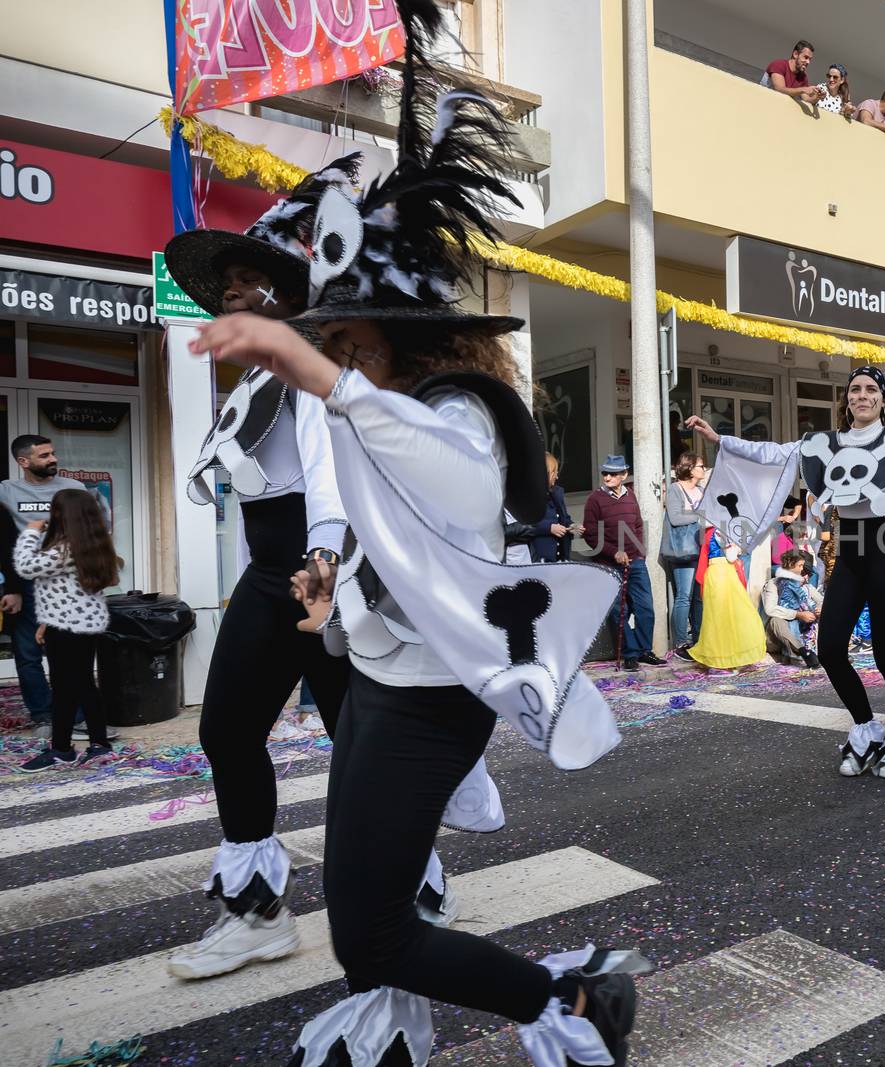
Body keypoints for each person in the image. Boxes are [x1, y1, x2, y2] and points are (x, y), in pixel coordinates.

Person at [188, 14, 648, 1057]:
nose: (331, 354)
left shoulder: (454, 411)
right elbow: (374, 532)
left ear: (392, 340)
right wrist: (329, 595)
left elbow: (448, 478)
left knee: (374, 922)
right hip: (387, 682)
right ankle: (435, 1004)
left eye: (344, 340)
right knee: (372, 908)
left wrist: (317, 373)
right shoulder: (370, 409)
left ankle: (572, 1003)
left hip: (435, 702)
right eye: (328, 343)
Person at [163, 158, 490, 981]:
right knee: (226, 730)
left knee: (366, 746)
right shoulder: (250, 385)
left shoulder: (321, 373)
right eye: (228, 284)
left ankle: (409, 881)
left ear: (286, 295)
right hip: (271, 580)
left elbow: (331, 483)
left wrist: (322, 565)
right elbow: (247, 484)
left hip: (329, 581)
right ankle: (257, 910)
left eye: (250, 281)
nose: (236, 293)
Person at [688, 364, 885, 779]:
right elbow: (774, 453)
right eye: (854, 389)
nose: (861, 395)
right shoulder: (825, 444)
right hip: (851, 549)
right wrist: (722, 441)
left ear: (883, 399)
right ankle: (866, 728)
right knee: (830, 650)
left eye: (870, 389)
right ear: (847, 399)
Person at [0, 435, 107, 733]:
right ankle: (43, 714)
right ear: (23, 461)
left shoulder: (73, 489)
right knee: (27, 652)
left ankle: (78, 717)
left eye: (52, 453)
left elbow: (96, 530)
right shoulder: (6, 491)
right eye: (44, 455)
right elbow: (4, 540)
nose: (53, 459)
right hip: (28, 583)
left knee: (70, 657)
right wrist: (11, 587)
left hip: (68, 582)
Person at [15, 489, 117, 772]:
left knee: (64, 687)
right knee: (83, 683)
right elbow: (72, 589)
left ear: (62, 514)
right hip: (81, 622)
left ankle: (62, 749)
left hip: (69, 627)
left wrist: (31, 532)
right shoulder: (91, 544)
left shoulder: (63, 549)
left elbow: (26, 566)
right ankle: (99, 745)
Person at [584, 454, 662, 671]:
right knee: (619, 611)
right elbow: (591, 535)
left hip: (635, 561)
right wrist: (613, 552)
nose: (607, 477)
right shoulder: (594, 500)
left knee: (646, 608)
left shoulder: (631, 496)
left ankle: (644, 650)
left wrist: (640, 553)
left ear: (624, 475)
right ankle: (630, 654)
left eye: (612, 473)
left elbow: (637, 525)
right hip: (608, 564)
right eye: (605, 473)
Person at [689, 527, 767, 672]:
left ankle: (725, 659)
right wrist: (738, 547)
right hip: (723, 573)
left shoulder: (710, 531)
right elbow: (731, 557)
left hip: (716, 572)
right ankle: (721, 661)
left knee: (721, 618)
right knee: (729, 617)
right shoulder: (721, 531)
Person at [664, 452, 706, 652]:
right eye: (700, 466)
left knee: (699, 597)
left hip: (701, 549)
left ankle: (698, 638)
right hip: (683, 550)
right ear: (689, 468)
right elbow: (675, 518)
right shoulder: (675, 489)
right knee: (684, 596)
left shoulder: (701, 490)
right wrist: (699, 514)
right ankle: (680, 642)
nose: (703, 469)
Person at [763, 548, 823, 668]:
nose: (802, 570)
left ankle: (832, 649)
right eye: (800, 566)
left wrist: (819, 609)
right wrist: (798, 614)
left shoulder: (805, 585)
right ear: (790, 565)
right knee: (776, 620)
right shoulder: (773, 584)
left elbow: (821, 600)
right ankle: (801, 652)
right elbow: (770, 609)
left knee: (826, 615)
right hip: (778, 637)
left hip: (804, 631)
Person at [523, 453, 579, 563]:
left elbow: (563, 518)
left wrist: (572, 525)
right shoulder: (528, 495)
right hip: (539, 558)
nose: (557, 477)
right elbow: (524, 525)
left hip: (560, 558)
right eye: (554, 473)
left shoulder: (556, 494)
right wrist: (549, 528)